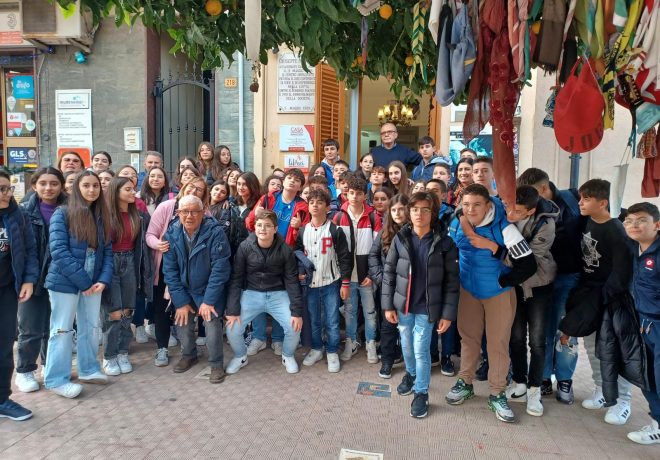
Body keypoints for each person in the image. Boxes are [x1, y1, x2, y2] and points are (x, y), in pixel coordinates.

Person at [446, 184, 537, 423]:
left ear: (488, 205)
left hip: (497, 293)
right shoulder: (457, 222)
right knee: (468, 338)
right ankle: (465, 382)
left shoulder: (504, 228)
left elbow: (529, 265)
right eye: (466, 205)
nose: (471, 209)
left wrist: (502, 279)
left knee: (497, 343)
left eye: (476, 204)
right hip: (469, 290)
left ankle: (497, 393)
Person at [559, 179, 634, 425]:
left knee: (614, 350)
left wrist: (602, 300)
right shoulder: (586, 221)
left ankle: (623, 401)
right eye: (581, 198)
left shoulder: (616, 231)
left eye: (587, 199)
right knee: (592, 347)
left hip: (611, 299)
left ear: (603, 203)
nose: (580, 203)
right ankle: (601, 390)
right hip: (589, 292)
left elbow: (621, 273)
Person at [382, 191, 460, 418]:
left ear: (433, 213)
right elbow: (389, 273)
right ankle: (412, 374)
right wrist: (388, 306)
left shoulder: (445, 242)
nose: (419, 214)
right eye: (415, 209)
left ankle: (421, 392)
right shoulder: (400, 238)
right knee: (406, 345)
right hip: (404, 306)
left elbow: (452, 281)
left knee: (420, 349)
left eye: (425, 210)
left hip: (427, 307)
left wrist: (447, 314)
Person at [517, 167, 584, 403]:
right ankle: (543, 377)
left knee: (565, 328)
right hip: (541, 278)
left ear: (544, 188)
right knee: (541, 330)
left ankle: (564, 380)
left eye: (533, 194)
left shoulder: (573, 203)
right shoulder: (533, 209)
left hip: (568, 276)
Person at [44, 171, 113, 398]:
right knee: (62, 330)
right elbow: (59, 252)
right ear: (77, 188)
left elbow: (108, 252)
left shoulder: (102, 215)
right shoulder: (62, 213)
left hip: (94, 283)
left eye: (95, 186)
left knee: (91, 327)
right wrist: (84, 282)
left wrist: (103, 279)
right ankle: (56, 379)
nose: (92, 190)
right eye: (86, 185)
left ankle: (89, 369)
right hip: (65, 282)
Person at [224, 210, 303, 375]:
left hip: (278, 294)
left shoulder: (285, 249)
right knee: (232, 328)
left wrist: (296, 312)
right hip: (252, 293)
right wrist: (232, 310)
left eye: (267, 226)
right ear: (254, 227)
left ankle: (287, 355)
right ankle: (240, 357)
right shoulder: (245, 247)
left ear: (275, 229)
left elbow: (292, 281)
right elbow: (236, 278)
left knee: (294, 326)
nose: (263, 229)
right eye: (259, 225)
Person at [162, 195, 231, 382]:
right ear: (178, 213)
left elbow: (220, 269)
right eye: (185, 211)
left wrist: (209, 301)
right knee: (181, 319)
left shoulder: (216, 232)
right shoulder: (171, 234)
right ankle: (189, 355)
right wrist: (180, 301)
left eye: (194, 212)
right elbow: (169, 271)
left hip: (209, 289)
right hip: (185, 289)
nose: (189, 216)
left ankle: (216, 364)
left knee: (211, 322)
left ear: (203, 213)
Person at [505, 186, 558, 417]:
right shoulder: (506, 215)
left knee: (537, 341)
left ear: (531, 211)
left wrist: (501, 256)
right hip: (515, 286)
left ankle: (535, 389)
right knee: (516, 337)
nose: (512, 214)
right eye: (511, 208)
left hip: (538, 286)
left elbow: (529, 260)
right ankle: (519, 382)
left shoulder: (546, 223)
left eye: (518, 212)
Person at [146, 178, 210, 366]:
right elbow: (150, 234)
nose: (194, 191)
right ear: (184, 187)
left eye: (199, 189)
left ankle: (188, 349)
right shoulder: (166, 207)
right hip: (165, 265)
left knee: (186, 307)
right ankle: (162, 348)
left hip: (190, 270)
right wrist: (158, 244)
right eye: (191, 186)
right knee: (162, 308)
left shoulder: (205, 213)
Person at [246, 169, 309, 356]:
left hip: (284, 255)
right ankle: (258, 337)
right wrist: (255, 215)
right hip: (260, 252)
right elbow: (250, 223)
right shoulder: (268, 199)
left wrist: (299, 227)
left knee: (281, 297)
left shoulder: (302, 206)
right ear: (284, 180)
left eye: (297, 180)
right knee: (257, 294)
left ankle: (278, 339)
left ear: (300, 186)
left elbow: (305, 236)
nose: (292, 182)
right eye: (290, 178)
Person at [14, 168, 66, 394]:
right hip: (31, 278)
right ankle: (25, 370)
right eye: (43, 183)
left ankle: (48, 365)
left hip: (59, 277)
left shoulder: (70, 209)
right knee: (30, 328)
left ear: (61, 186)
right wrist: (26, 277)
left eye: (54, 183)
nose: (48, 188)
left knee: (54, 327)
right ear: (34, 186)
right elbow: (21, 249)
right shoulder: (23, 211)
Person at [295, 189, 352, 372]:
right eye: (312, 202)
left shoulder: (335, 230)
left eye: (320, 202)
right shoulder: (302, 231)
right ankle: (317, 348)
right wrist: (300, 272)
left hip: (331, 282)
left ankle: (332, 351)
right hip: (310, 284)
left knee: (332, 319)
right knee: (314, 319)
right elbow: (297, 254)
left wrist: (345, 283)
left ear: (327, 207)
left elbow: (345, 258)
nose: (315, 205)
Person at [102, 177, 153, 376]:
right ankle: (109, 355)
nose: (133, 193)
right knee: (113, 311)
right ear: (116, 192)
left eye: (134, 189)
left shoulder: (139, 215)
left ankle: (123, 351)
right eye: (128, 189)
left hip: (131, 260)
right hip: (110, 262)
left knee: (128, 309)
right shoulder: (104, 214)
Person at [0, 170, 38, 421]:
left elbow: (30, 249)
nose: (6, 193)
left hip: (6, 290)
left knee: (4, 346)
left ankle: (2, 399)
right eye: (1, 189)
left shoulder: (18, 214)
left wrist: (28, 279)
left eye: (8, 188)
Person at [333, 175, 382, 363]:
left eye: (359, 193)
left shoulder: (373, 217)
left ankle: (370, 343)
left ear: (365, 196)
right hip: (347, 276)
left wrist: (371, 274)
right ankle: (351, 342)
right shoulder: (338, 216)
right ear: (346, 194)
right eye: (351, 193)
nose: (354, 197)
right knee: (350, 311)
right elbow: (334, 249)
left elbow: (377, 249)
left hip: (366, 276)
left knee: (370, 312)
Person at [623, 203, 660, 444]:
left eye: (641, 220)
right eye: (629, 221)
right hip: (642, 323)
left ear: (657, 225)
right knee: (646, 377)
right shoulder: (634, 248)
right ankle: (657, 423)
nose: (634, 225)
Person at [369, 194, 409, 379]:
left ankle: (409, 363)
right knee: (388, 326)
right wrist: (380, 278)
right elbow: (373, 255)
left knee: (408, 327)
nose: (397, 213)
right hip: (389, 287)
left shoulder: (416, 230)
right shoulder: (384, 232)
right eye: (394, 210)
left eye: (401, 209)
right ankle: (387, 361)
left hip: (409, 287)